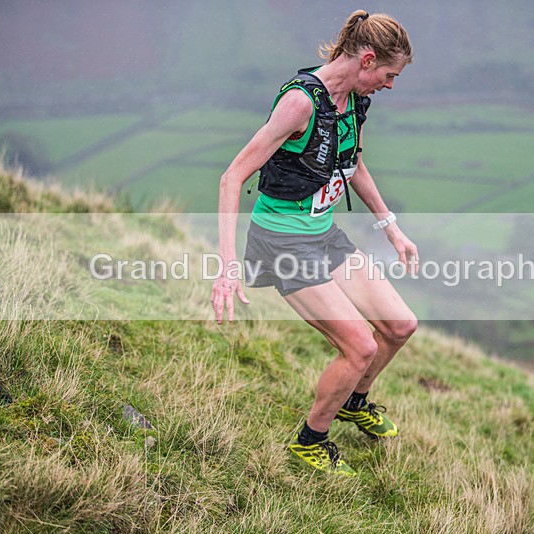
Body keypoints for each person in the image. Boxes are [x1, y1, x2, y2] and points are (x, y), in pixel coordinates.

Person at [212, 10, 418, 476]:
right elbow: (232, 177)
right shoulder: (300, 103)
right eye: (389, 75)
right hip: (282, 243)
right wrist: (226, 268)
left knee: (400, 325)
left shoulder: (354, 101)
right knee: (361, 346)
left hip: (323, 234)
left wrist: (392, 227)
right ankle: (311, 440)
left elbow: (354, 164)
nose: (389, 85)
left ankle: (353, 400)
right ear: (367, 60)